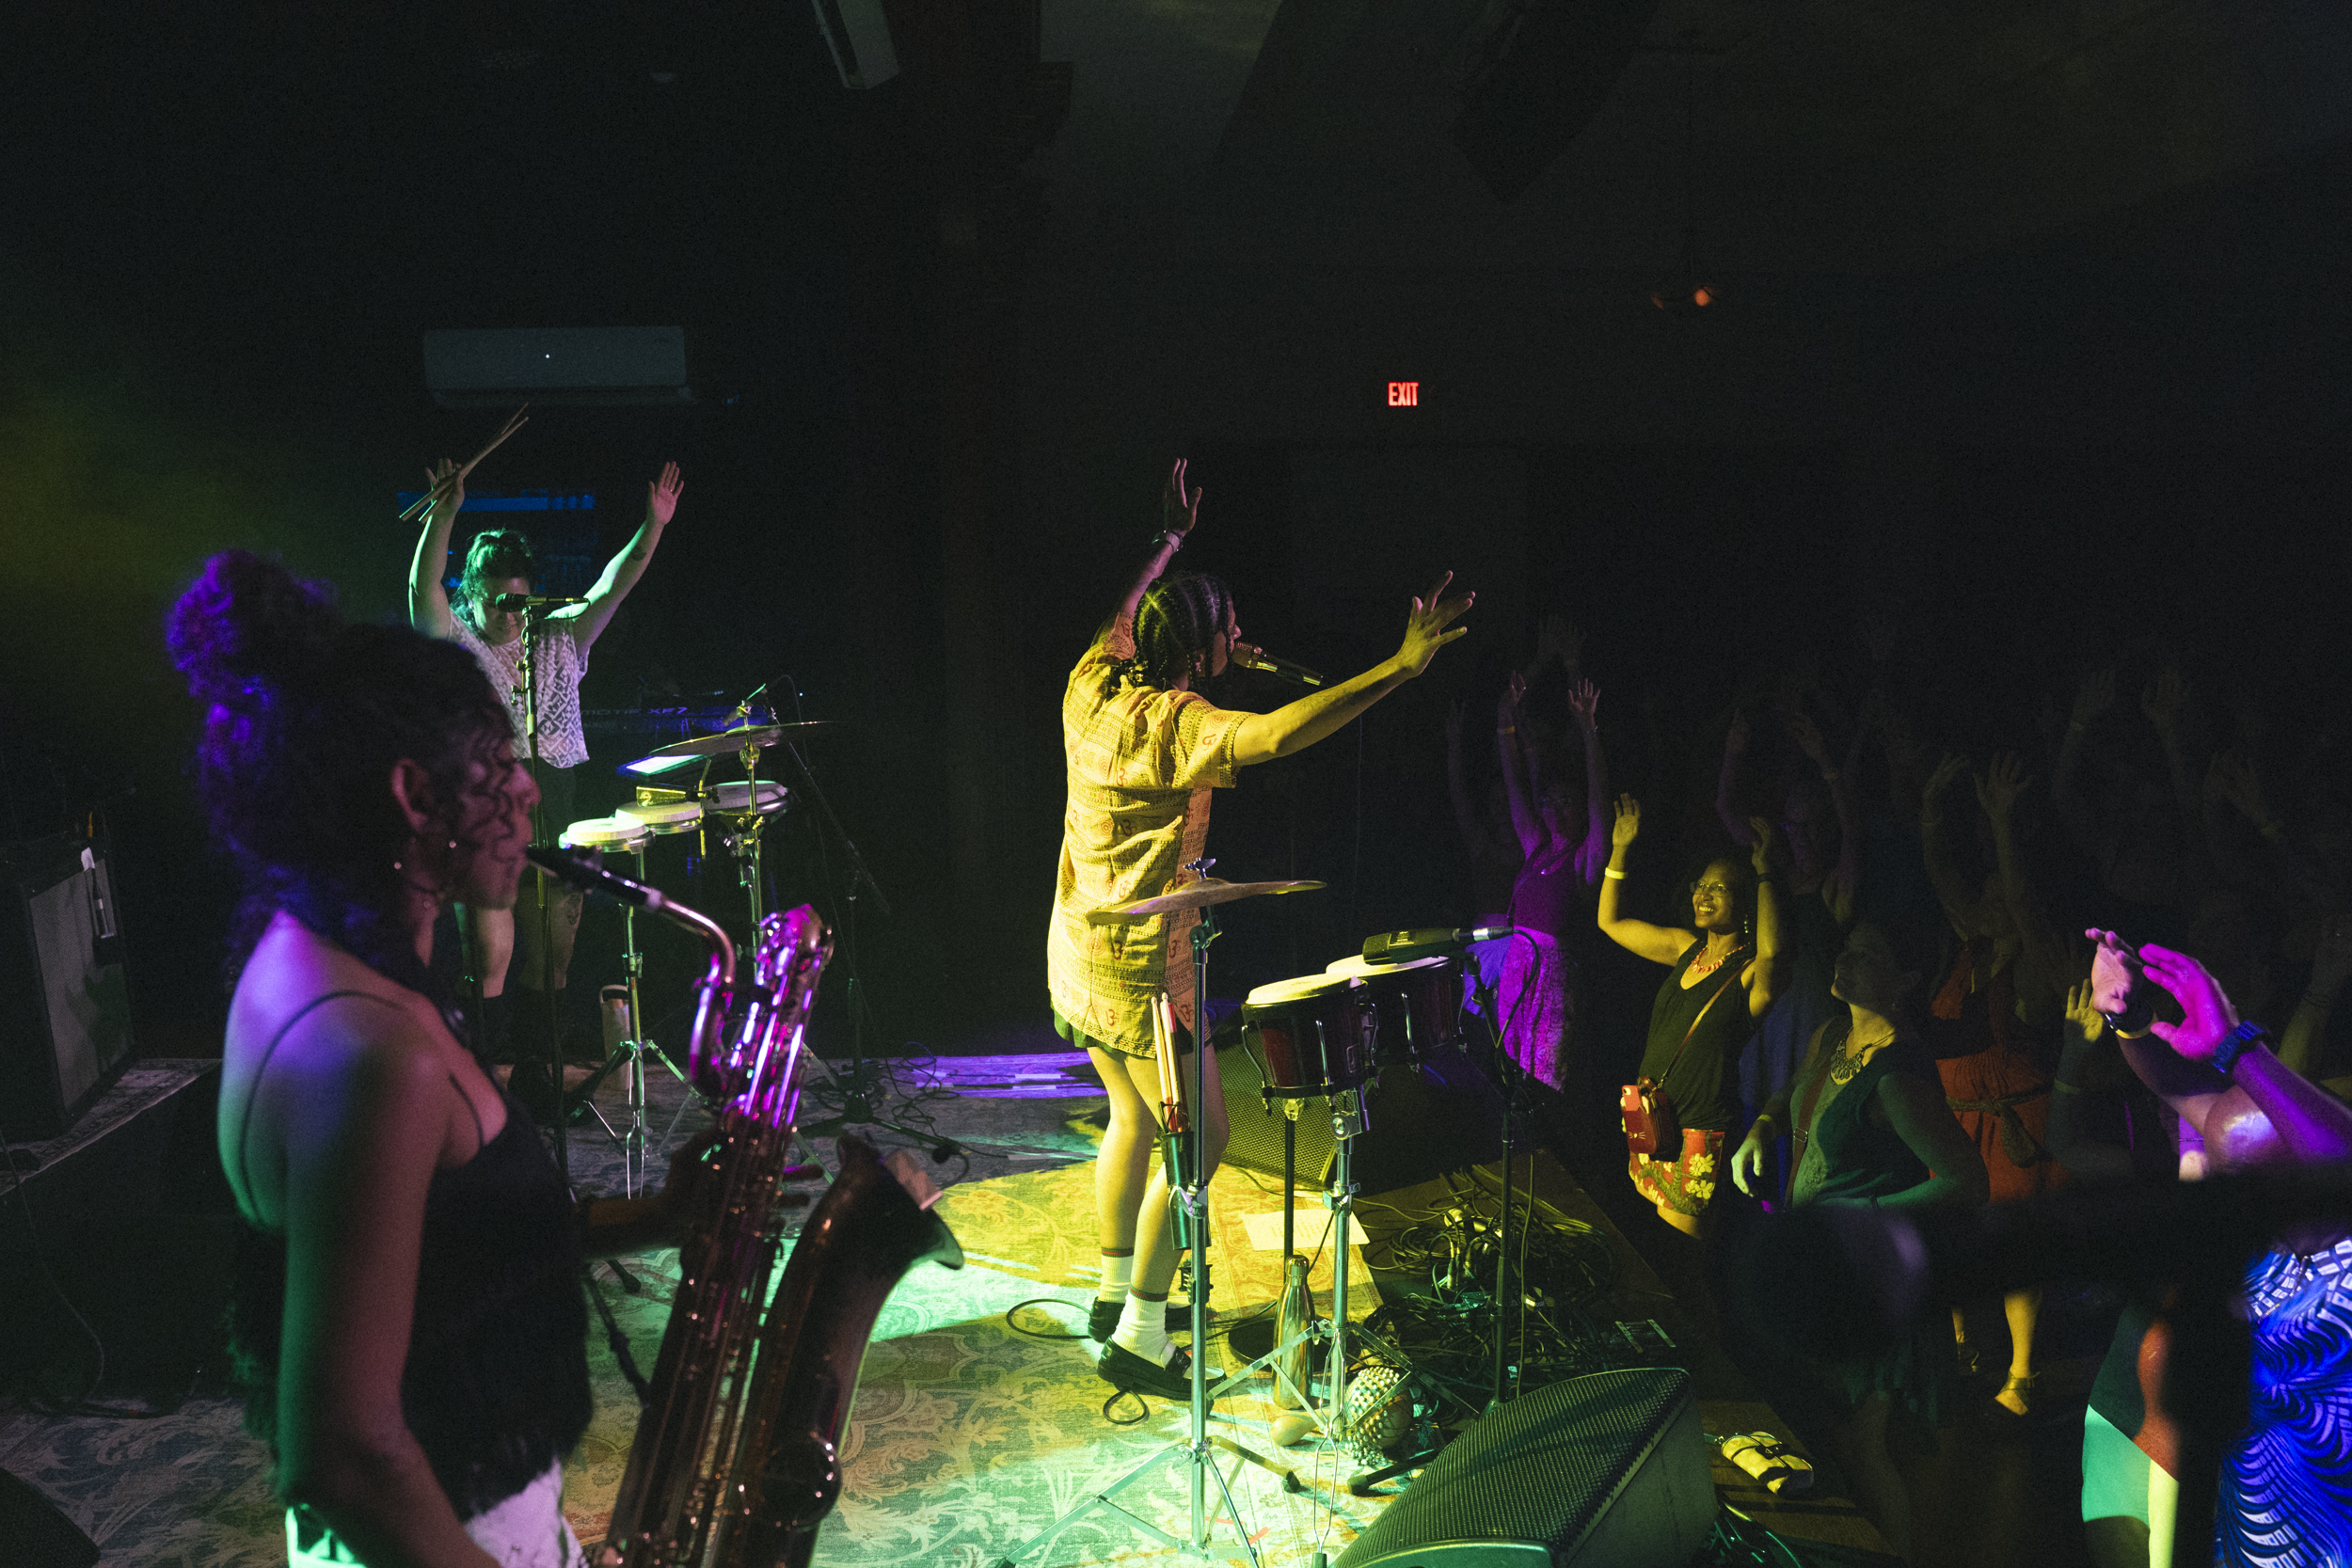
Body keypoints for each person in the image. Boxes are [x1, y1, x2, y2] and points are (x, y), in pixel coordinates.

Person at [168, 551, 711, 1567]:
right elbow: (346, 1457)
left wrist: (657, 1217)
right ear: (415, 795)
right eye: (499, 765)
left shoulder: (310, 953)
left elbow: (438, 1248)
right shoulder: (375, 1051)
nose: (528, 793)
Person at [1049, 460, 1473, 1400]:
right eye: (1230, 630)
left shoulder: (1091, 680)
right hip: (1144, 973)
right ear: (1200, 649)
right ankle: (1139, 1335)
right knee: (1198, 1141)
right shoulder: (1178, 725)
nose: (1241, 639)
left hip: (1077, 950)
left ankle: (1114, 1292)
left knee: (1130, 1115)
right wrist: (1400, 668)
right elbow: (1276, 735)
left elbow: (1125, 608)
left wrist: (1167, 540)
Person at [407, 453, 684, 1100]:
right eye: (498, 601)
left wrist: (654, 526)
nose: (511, 614)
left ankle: (537, 1078)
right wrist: (444, 515)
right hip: (486, 817)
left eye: (520, 601)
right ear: (474, 594)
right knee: (491, 955)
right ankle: (480, 1084)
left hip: (555, 809)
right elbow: (423, 587)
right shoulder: (457, 643)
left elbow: (613, 585)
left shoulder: (556, 638)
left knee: (552, 960)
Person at [2087, 930, 2352, 1568]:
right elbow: (2180, 1090)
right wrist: (2129, 1020)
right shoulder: (2262, 1259)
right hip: (2248, 1539)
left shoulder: (2344, 1271)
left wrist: (2237, 1046)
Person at [1729, 923, 1990, 1562]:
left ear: (1905, 981)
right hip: (1825, 1272)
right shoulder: (1831, 1036)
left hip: (1868, 1278)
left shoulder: (1898, 1074)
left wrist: (1862, 1215)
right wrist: (1762, 1126)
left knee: (1861, 1446)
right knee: (1830, 1437)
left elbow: (1967, 1181)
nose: (1846, 958)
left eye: (1868, 954)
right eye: (1847, 947)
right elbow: (1793, 1092)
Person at [1918, 750, 2072, 1418]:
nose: (1981, 905)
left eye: (1996, 897)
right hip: (1958, 1122)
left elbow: (2022, 906)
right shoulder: (1969, 951)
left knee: (2013, 1248)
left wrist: (2004, 827)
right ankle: (1960, 1346)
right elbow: (1943, 880)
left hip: (2017, 1128)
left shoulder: (2035, 968)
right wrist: (1930, 815)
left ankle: (2023, 1371)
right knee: (1952, 1236)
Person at [1597, 794, 1787, 1237]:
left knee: (1682, 1260)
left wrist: (1765, 873)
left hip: (1698, 1135)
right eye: (1701, 885)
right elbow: (1610, 922)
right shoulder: (1686, 948)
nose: (1704, 894)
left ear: (1745, 903)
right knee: (1646, 1248)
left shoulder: (1747, 973)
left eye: (1719, 888)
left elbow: (1774, 955)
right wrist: (1620, 850)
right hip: (1652, 1121)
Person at [1489, 669, 1609, 1090]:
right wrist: (1504, 724)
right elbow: (1514, 784)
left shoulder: (1584, 859)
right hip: (1515, 978)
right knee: (1508, 1082)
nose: (1555, 810)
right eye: (1549, 801)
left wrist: (1589, 730)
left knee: (1543, 1088)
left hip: (1553, 989)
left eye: (1566, 801)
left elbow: (1600, 804)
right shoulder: (1536, 847)